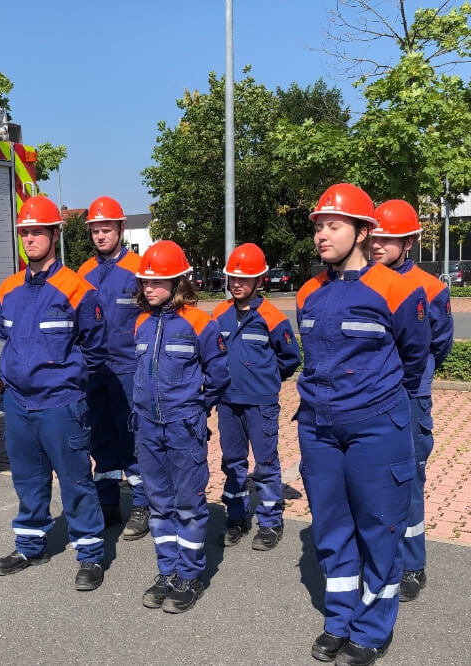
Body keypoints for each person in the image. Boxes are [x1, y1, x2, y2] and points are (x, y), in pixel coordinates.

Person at [297, 183, 429, 665]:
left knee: (378, 526)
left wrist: (377, 397)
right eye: (317, 226)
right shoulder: (310, 292)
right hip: (318, 427)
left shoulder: (396, 288)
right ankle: (339, 619)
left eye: (333, 225)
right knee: (331, 529)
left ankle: (373, 628)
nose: (322, 235)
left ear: (362, 231)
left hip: (376, 425)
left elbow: (415, 357)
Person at [0, 195, 108, 592]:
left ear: (55, 234)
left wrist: (70, 386)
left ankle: (90, 553)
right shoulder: (7, 289)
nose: (30, 239)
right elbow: (9, 339)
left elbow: (94, 349)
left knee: (75, 481)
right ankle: (30, 545)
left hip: (61, 404)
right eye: (25, 233)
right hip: (19, 404)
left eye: (38, 231)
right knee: (28, 479)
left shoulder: (77, 289)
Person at [132, 240, 230, 614]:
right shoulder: (141, 323)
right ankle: (167, 571)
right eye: (144, 282)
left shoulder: (200, 323)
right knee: (159, 505)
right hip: (147, 428)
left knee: (188, 504)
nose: (149, 289)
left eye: (157, 283)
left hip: (184, 428)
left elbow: (219, 376)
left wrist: (194, 407)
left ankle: (189, 575)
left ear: (178, 281)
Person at [371, 199, 454, 602]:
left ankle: (412, 566)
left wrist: (413, 377)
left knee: (409, 483)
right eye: (375, 237)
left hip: (409, 398)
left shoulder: (431, 287)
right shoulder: (362, 282)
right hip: (372, 401)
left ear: (408, 243)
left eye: (388, 239)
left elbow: (439, 344)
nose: (378, 245)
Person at [211, 243, 300, 551]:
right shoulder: (219, 313)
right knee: (232, 462)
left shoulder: (273, 317)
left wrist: (267, 379)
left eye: (244, 279)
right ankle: (236, 518)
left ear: (259, 280)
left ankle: (270, 522)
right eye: (233, 278)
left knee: (265, 463)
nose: (237, 283)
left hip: (260, 403)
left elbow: (290, 357)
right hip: (228, 403)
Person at [78, 196, 150, 540]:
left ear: (121, 228)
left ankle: (142, 504)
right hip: (94, 371)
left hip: (129, 369)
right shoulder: (83, 273)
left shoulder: (139, 269)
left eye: (106, 228)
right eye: (95, 229)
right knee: (100, 438)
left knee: (132, 438)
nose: (101, 235)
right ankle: (108, 502)